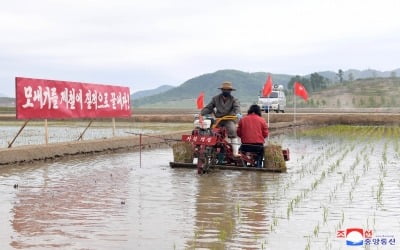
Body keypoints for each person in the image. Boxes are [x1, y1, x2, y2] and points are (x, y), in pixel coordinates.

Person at [201, 81, 242, 156]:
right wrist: (201, 113)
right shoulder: (215, 99)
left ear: (230, 91)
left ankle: (235, 152)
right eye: (225, 90)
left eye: (228, 90)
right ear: (222, 90)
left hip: (229, 119)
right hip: (218, 119)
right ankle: (209, 148)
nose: (226, 91)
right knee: (211, 131)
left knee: (232, 130)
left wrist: (238, 113)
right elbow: (209, 107)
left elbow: (237, 107)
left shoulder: (234, 100)